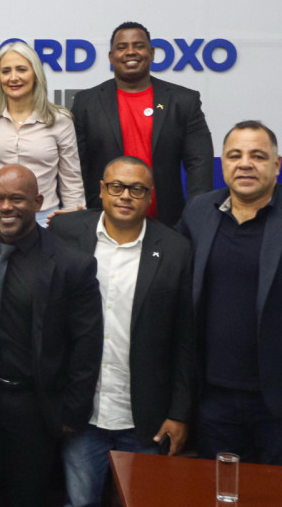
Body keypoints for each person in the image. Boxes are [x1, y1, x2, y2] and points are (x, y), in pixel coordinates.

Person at [0, 164, 103, 507]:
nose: (6, 207)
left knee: (28, 496)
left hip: (34, 406)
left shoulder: (70, 263)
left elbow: (86, 343)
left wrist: (72, 412)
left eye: (17, 199)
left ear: (38, 202)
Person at [50, 156, 196, 507]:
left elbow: (186, 340)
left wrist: (179, 413)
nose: (125, 196)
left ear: (150, 195)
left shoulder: (175, 250)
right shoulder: (66, 233)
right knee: (79, 502)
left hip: (145, 418)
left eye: (136, 189)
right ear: (101, 190)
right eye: (116, 187)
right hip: (82, 415)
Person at [178, 120, 282, 464]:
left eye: (258, 156)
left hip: (275, 402)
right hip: (214, 399)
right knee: (221, 489)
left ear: (277, 164)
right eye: (235, 155)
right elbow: (163, 261)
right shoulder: (199, 210)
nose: (245, 164)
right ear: (222, 163)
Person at [71, 21, 213, 227]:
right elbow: (77, 165)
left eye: (138, 46)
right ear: (111, 57)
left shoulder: (183, 101)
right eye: (122, 47)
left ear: (152, 53)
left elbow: (199, 163)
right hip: (103, 221)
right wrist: (83, 214)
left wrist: (197, 216)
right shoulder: (86, 102)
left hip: (167, 222)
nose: (130, 52)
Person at [0, 41, 83, 224]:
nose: (13, 78)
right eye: (6, 71)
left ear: (36, 74)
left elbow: (71, 179)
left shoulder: (60, 119)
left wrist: (75, 222)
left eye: (21, 69)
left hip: (44, 218)